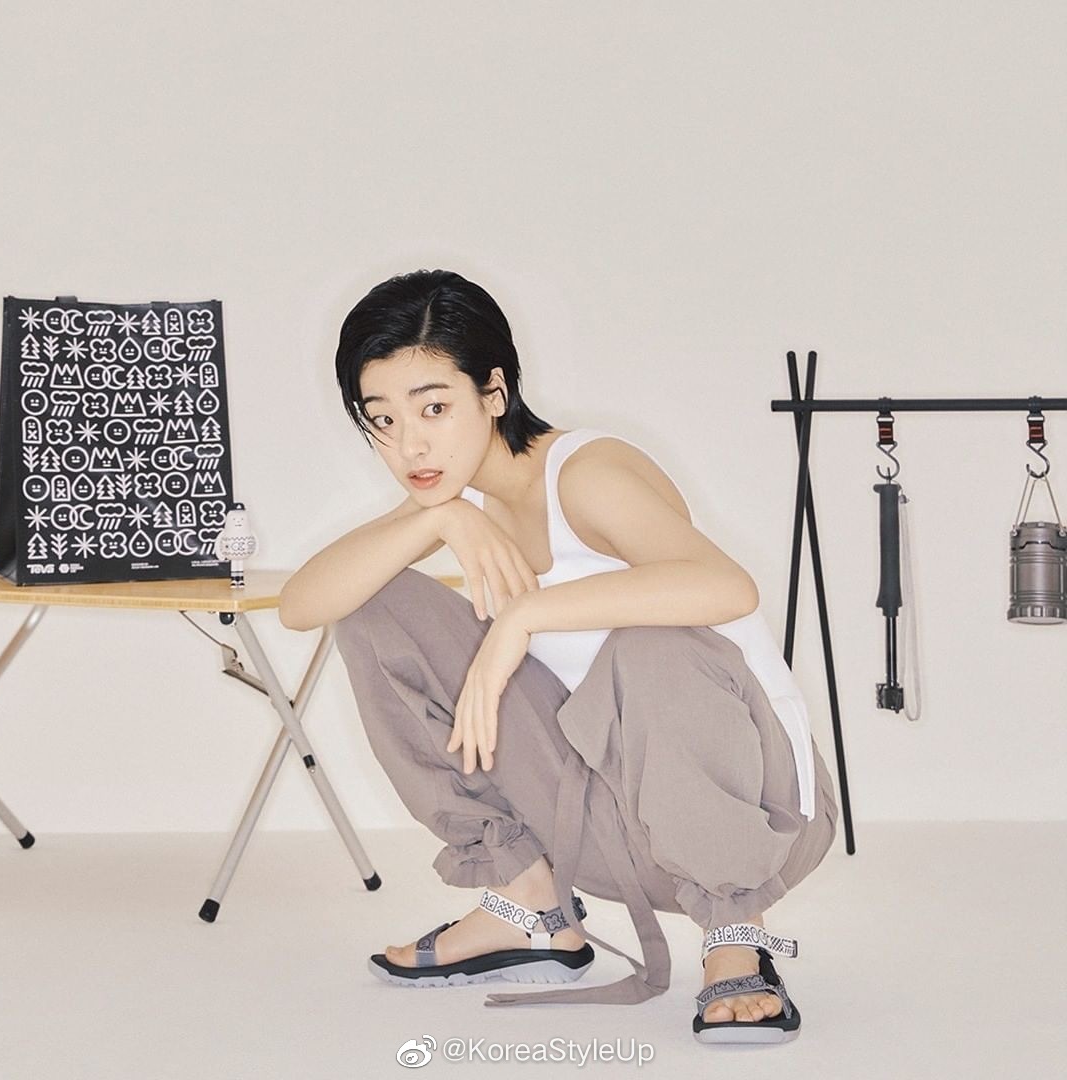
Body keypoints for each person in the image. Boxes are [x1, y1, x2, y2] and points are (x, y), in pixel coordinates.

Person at [279, 269, 839, 1045]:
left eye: (434, 408)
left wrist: (523, 619)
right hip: (610, 827)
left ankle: (735, 932)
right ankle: (529, 904)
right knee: (372, 601)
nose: (410, 445)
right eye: (382, 419)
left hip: (753, 819)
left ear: (494, 391)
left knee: (648, 644)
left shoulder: (588, 474)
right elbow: (303, 605)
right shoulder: (455, 495)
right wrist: (440, 522)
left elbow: (726, 587)